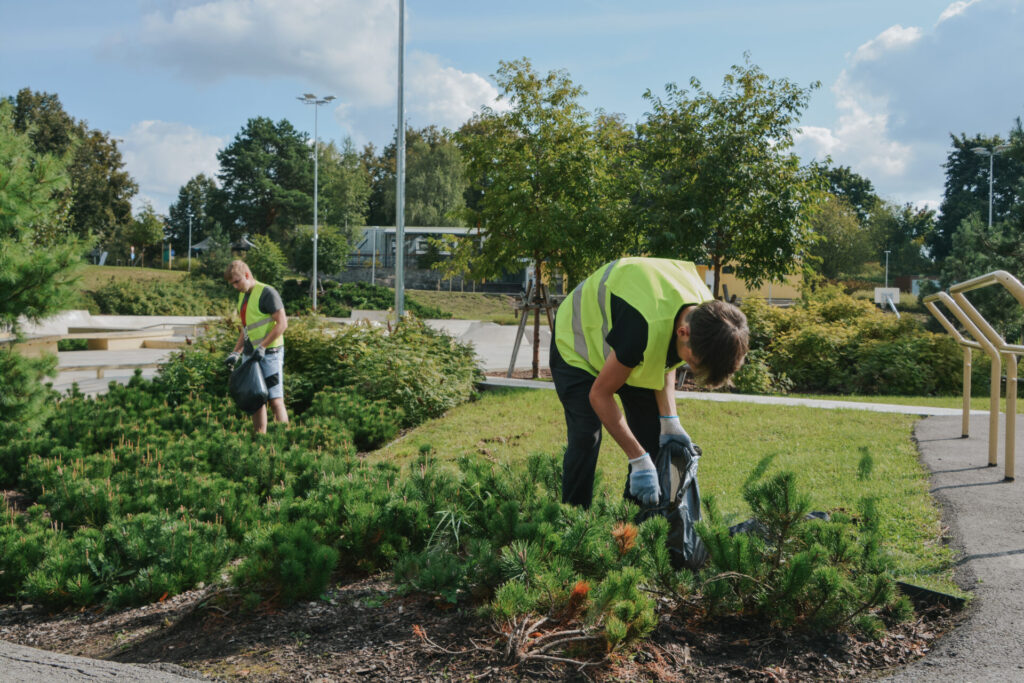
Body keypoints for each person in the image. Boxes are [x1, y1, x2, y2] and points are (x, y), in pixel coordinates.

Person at [550, 257, 749, 509]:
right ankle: (573, 523)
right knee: (585, 436)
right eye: (692, 362)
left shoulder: (705, 316)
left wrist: (670, 420)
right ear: (683, 333)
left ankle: (633, 528)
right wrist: (637, 458)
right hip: (578, 342)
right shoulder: (642, 326)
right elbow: (599, 395)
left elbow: (665, 355)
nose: (687, 366)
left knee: (653, 437)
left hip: (625, 346)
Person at [223, 260, 289, 433]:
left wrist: (263, 347)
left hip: (270, 354)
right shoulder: (243, 296)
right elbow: (246, 329)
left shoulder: (267, 292)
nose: (235, 286)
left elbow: (282, 324)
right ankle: (261, 441)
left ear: (247, 275)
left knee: (275, 400)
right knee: (256, 400)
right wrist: (236, 352)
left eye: (237, 282)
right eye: (232, 284)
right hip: (251, 356)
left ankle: (285, 440)